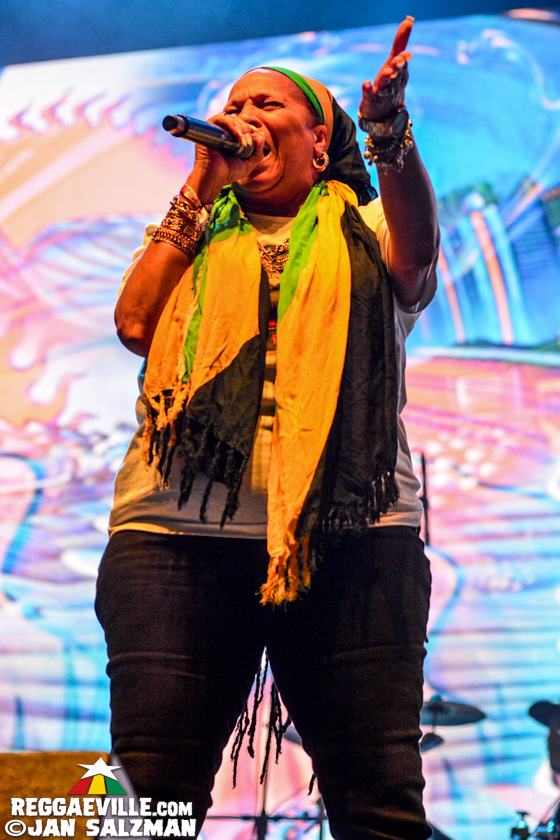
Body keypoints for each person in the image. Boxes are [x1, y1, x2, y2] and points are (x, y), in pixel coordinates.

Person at [95, 15, 440, 840]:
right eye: (234, 105)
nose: (243, 116)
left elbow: (418, 257)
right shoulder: (190, 234)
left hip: (354, 540)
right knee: (147, 800)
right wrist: (197, 188)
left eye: (267, 104)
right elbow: (136, 324)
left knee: (379, 801)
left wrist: (389, 132)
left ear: (319, 142)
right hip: (173, 537)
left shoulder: (370, 231)